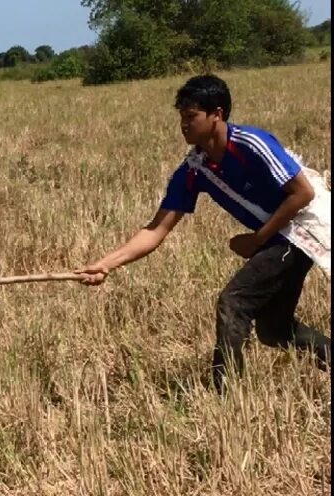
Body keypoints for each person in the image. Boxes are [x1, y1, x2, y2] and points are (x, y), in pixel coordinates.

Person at [75, 73, 330, 391]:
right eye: (181, 117)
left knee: (234, 301)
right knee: (274, 330)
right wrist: (106, 264)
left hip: (305, 226)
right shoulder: (195, 168)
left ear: (217, 114)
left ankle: (228, 396)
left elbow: (302, 193)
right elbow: (156, 230)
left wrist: (257, 239)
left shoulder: (251, 143)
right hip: (278, 235)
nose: (184, 124)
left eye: (191, 116)